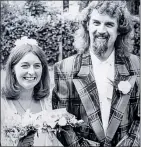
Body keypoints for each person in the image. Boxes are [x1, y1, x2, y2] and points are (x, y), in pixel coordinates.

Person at [52, 1, 140, 146]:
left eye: (109, 24)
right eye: (96, 22)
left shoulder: (137, 66)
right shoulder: (64, 68)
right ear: (87, 25)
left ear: (119, 29)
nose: (101, 30)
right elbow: (61, 121)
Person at [1, 37, 62, 146]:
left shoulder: (48, 102)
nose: (31, 72)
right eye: (25, 66)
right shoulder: (3, 105)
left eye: (37, 66)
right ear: (12, 69)